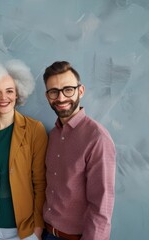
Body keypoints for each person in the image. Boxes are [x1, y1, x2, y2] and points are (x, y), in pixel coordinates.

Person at [0, 59, 47, 240]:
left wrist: (36, 230)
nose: (3, 97)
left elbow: (40, 183)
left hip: (23, 231)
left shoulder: (34, 130)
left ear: (17, 94)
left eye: (9, 91)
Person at [41, 61, 116, 240]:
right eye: (54, 92)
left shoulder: (97, 138)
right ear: (47, 96)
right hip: (46, 233)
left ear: (80, 91)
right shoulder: (53, 135)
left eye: (68, 89)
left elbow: (101, 207)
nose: (60, 98)